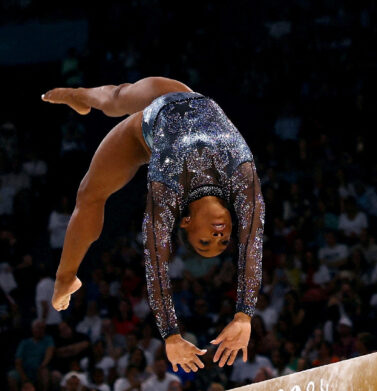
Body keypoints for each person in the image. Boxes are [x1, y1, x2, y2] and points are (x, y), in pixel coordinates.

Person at [42, 77, 265, 372]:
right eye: (222, 242)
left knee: (89, 194)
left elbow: (155, 260)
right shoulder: (242, 178)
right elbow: (253, 245)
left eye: (205, 242)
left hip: (141, 135)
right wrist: (243, 316)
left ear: (185, 222)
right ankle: (80, 96)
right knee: (115, 99)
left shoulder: (168, 189)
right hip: (176, 98)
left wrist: (171, 335)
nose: (217, 236)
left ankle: (64, 277)